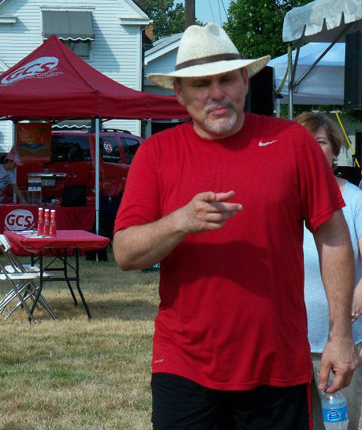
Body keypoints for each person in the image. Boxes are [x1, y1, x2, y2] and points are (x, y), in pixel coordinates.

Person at [113, 23, 360, 429]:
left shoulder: (293, 143)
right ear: (179, 93)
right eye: (200, 84)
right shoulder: (156, 154)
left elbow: (333, 235)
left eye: (226, 78)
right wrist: (180, 221)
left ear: (245, 80)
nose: (216, 93)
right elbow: (124, 253)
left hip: (277, 362)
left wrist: (339, 336)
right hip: (184, 364)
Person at [296, 112, 362, 430]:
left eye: (320, 142)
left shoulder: (354, 199)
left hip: (337, 341)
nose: (312, 148)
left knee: (340, 426)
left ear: (335, 150)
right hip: (290, 342)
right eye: (304, 142)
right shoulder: (284, 200)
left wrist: (358, 293)